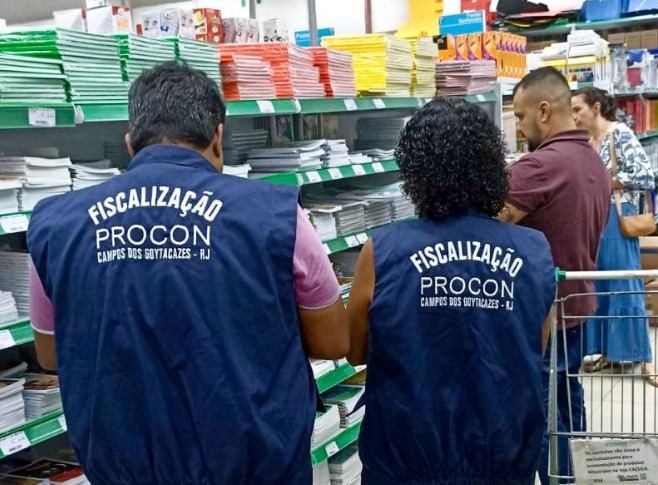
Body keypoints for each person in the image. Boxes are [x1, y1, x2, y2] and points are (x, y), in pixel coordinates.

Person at [27, 62, 348, 485]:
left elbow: (51, 354)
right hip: (255, 466)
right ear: (218, 136)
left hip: (124, 468)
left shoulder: (55, 224)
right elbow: (332, 341)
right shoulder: (277, 215)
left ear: (130, 144)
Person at [346, 98, 556, 484]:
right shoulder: (533, 251)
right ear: (492, 165)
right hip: (501, 456)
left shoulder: (383, 250)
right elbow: (533, 347)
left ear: (415, 170)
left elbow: (356, 350)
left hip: (405, 460)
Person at [498, 67, 611, 485]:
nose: (519, 128)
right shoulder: (592, 159)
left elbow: (483, 225)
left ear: (544, 111)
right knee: (567, 400)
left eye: (521, 117)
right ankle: (576, 477)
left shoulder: (539, 166)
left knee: (541, 413)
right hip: (577, 304)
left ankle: (558, 479)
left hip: (542, 316)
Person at [571, 87, 658, 388]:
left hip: (617, 216)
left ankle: (646, 360)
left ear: (596, 108)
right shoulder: (586, 142)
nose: (574, 116)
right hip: (593, 219)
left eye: (577, 109)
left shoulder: (620, 134)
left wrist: (606, 181)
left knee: (626, 285)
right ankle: (609, 352)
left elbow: (645, 175)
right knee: (599, 287)